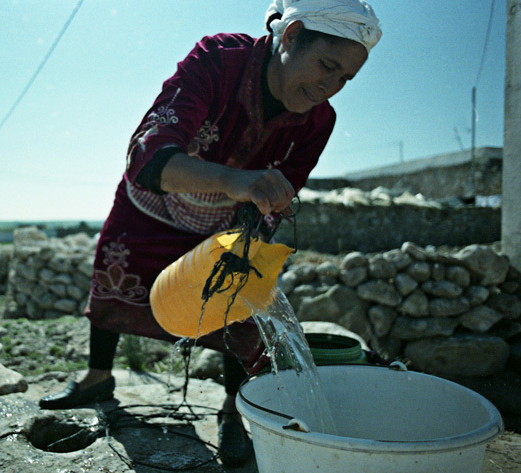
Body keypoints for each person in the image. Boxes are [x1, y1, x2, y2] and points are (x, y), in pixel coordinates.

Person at [40, 0, 381, 466]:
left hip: (227, 223)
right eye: (326, 64)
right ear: (293, 33)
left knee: (237, 299)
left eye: (345, 79)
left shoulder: (319, 121)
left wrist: (256, 227)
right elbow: (149, 155)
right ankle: (98, 376)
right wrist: (233, 180)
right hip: (155, 203)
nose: (330, 85)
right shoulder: (219, 60)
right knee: (117, 274)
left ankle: (232, 412)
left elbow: (283, 192)